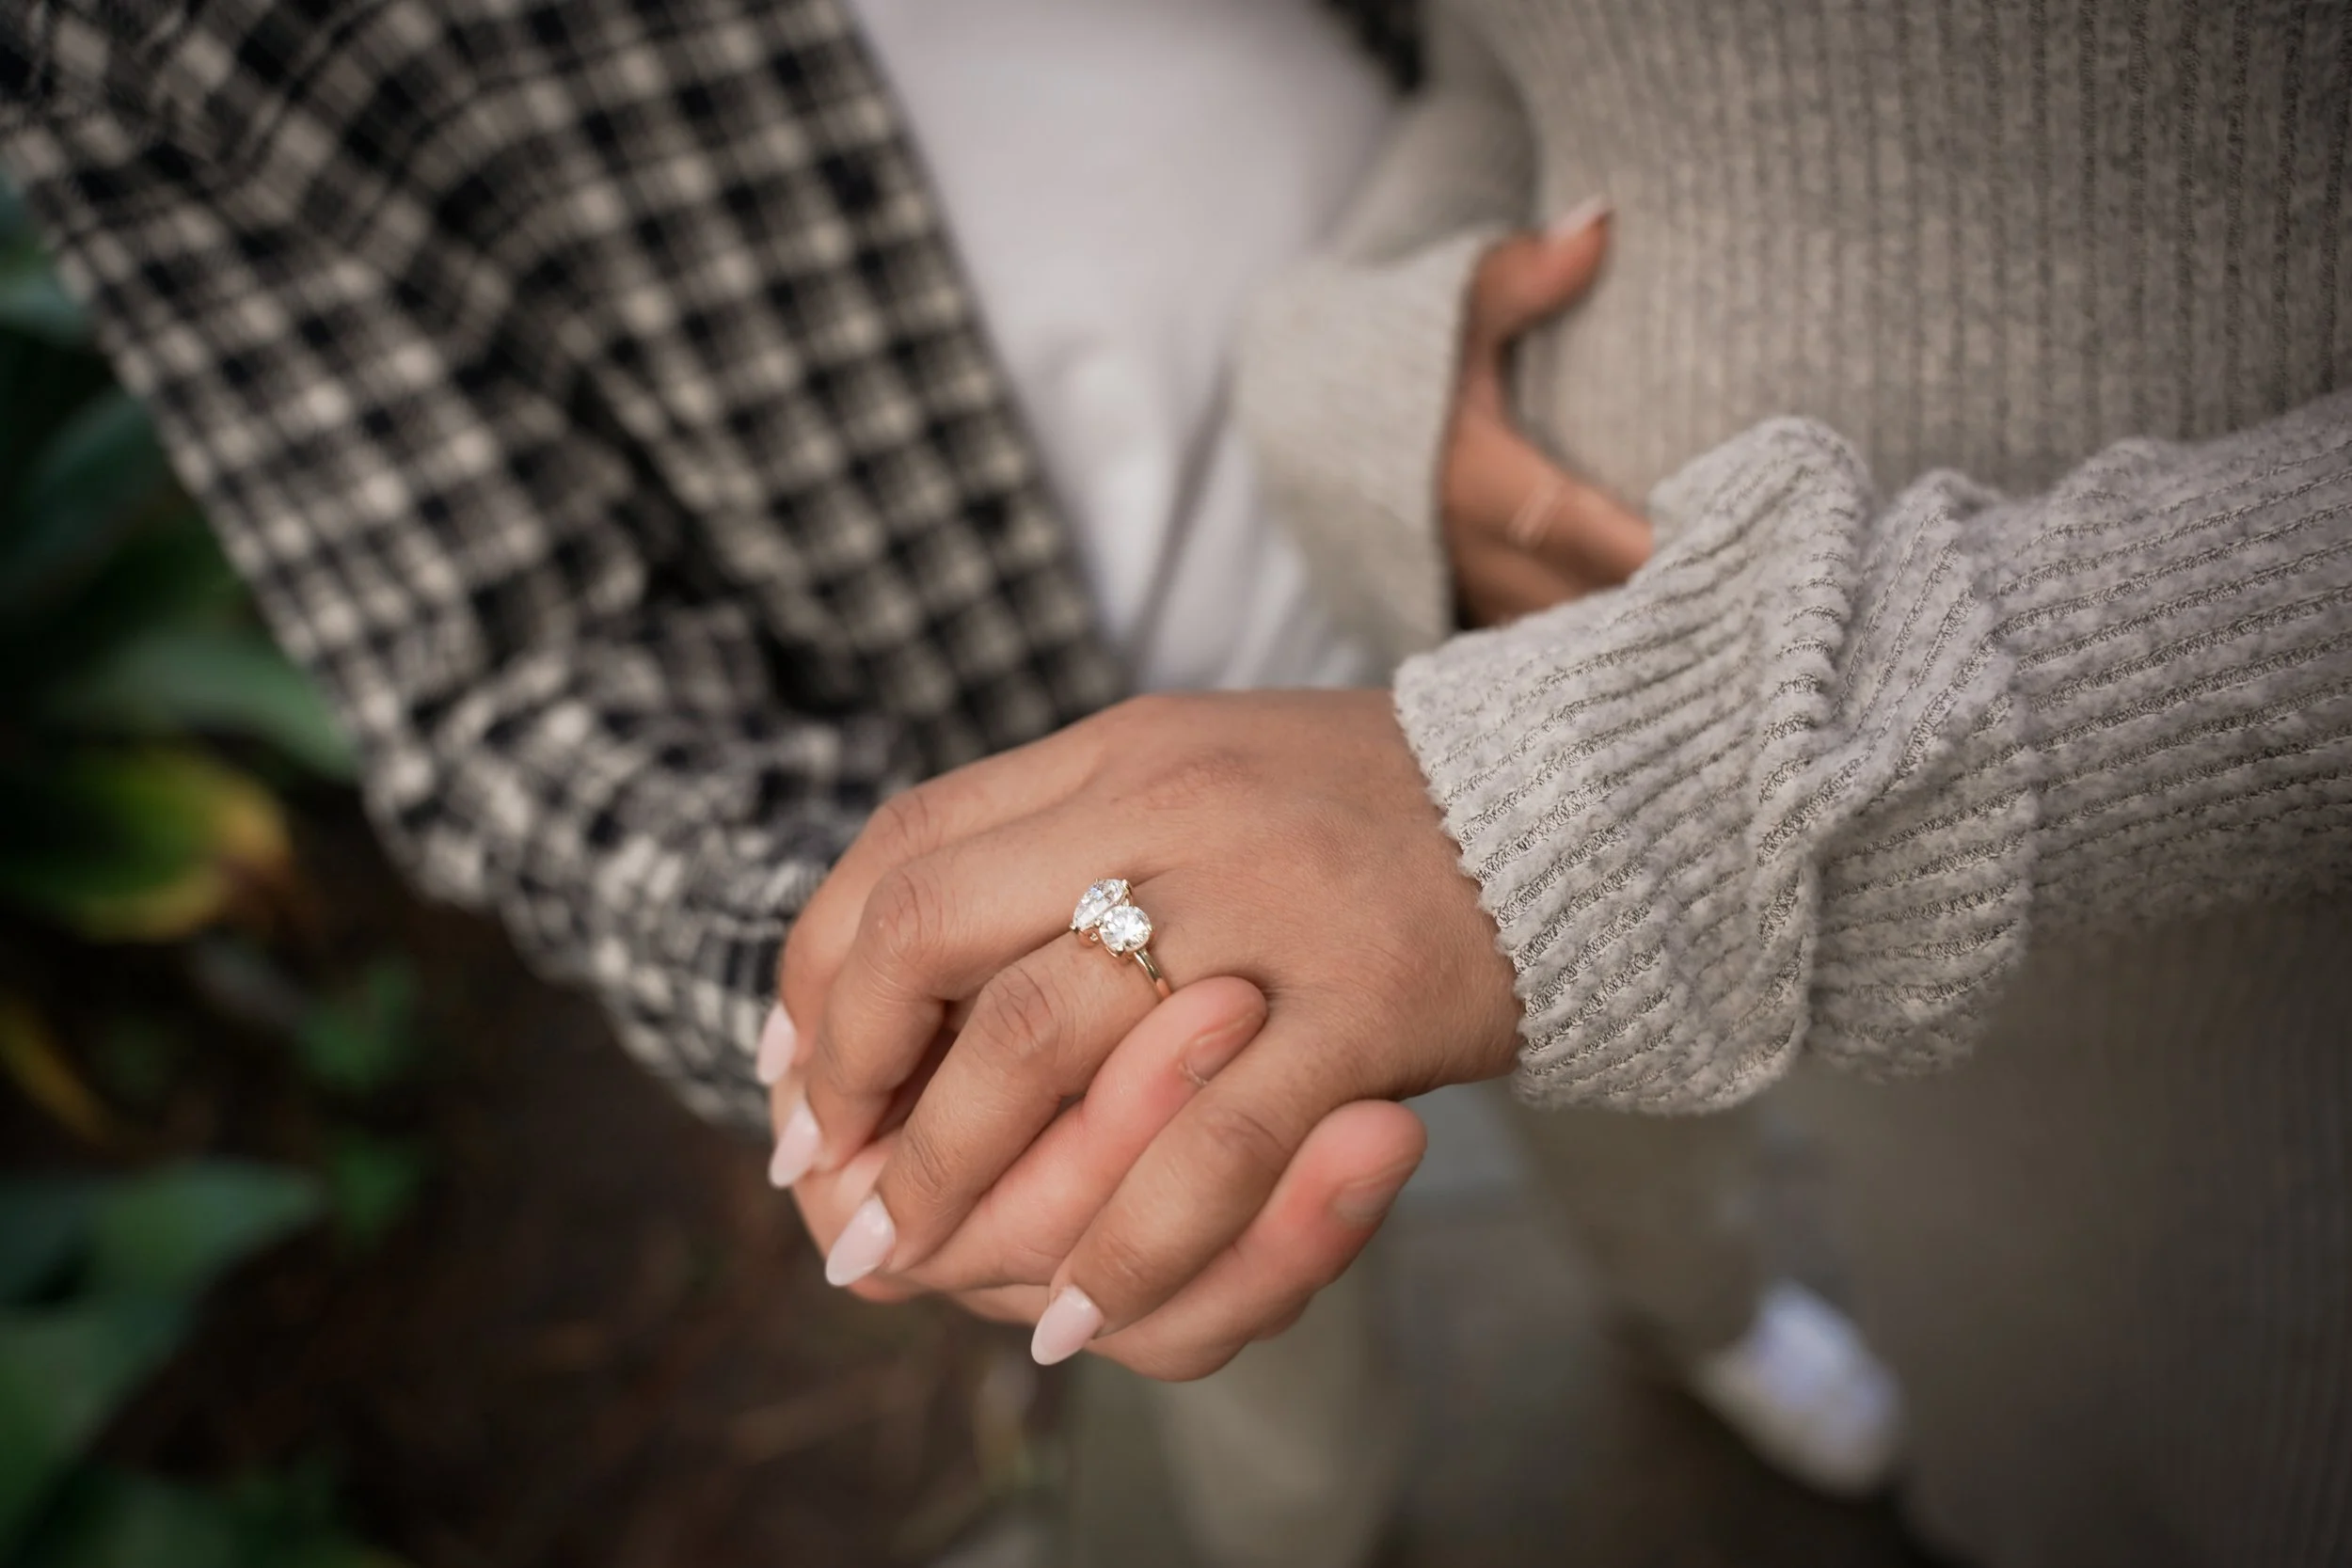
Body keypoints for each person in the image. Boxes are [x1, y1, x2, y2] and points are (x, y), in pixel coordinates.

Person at [0, 3, 1888, 1565]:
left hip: (1506, 602)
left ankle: (1704, 1307)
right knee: (1260, 1399)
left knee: (1658, 1110)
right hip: (1036, 873)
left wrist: (1431, 311)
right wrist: (870, 980)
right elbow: (501, 667)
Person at [775, 4, 2352, 1566]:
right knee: (1999, 1389)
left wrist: (1626, 778)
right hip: (1794, 894)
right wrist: (1368, 376)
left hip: (2232, 967)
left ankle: (1710, 1323)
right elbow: (1500, 65)